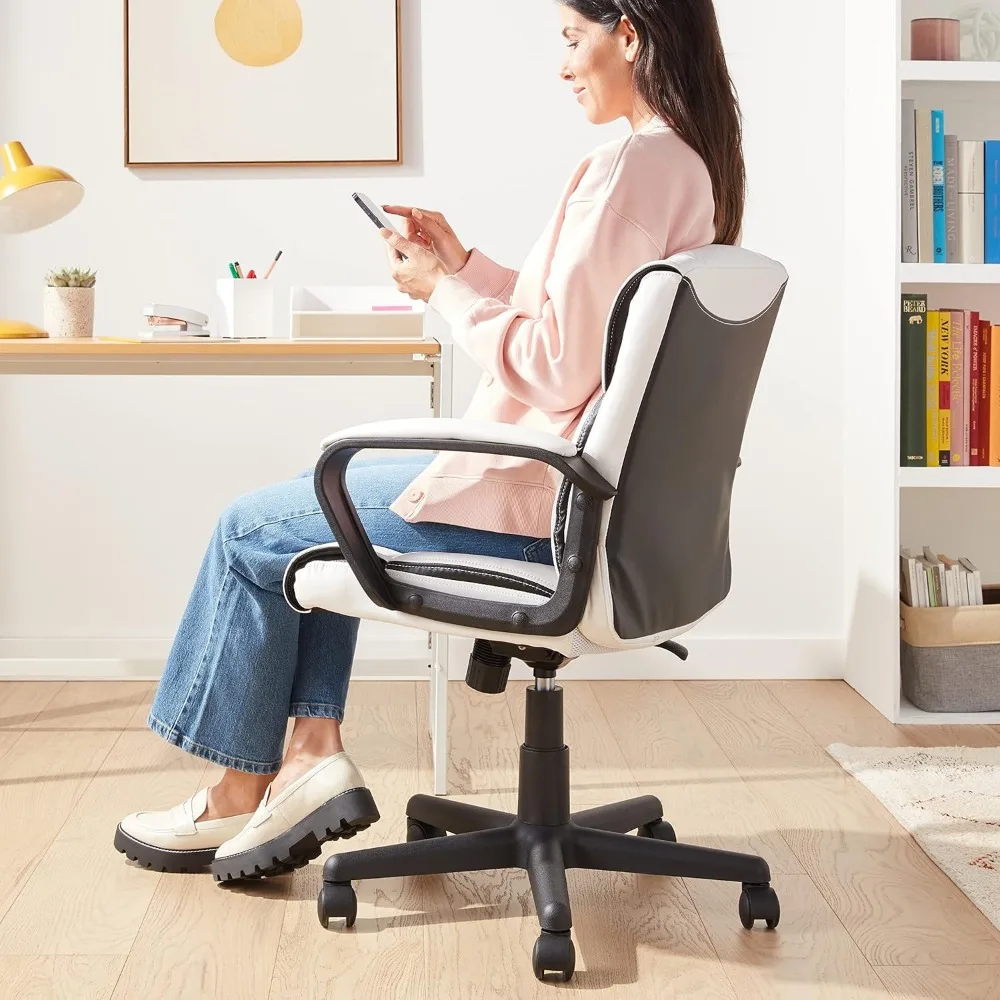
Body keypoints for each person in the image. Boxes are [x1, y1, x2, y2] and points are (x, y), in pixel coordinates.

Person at [115, 0, 745, 879]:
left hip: (537, 504)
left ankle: (240, 792)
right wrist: (464, 265)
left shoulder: (628, 169)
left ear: (629, 34)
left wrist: (442, 298)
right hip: (598, 505)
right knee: (314, 506)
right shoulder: (684, 167)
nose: (563, 66)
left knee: (251, 530)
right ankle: (307, 755)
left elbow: (556, 367)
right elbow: (588, 319)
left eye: (572, 39)